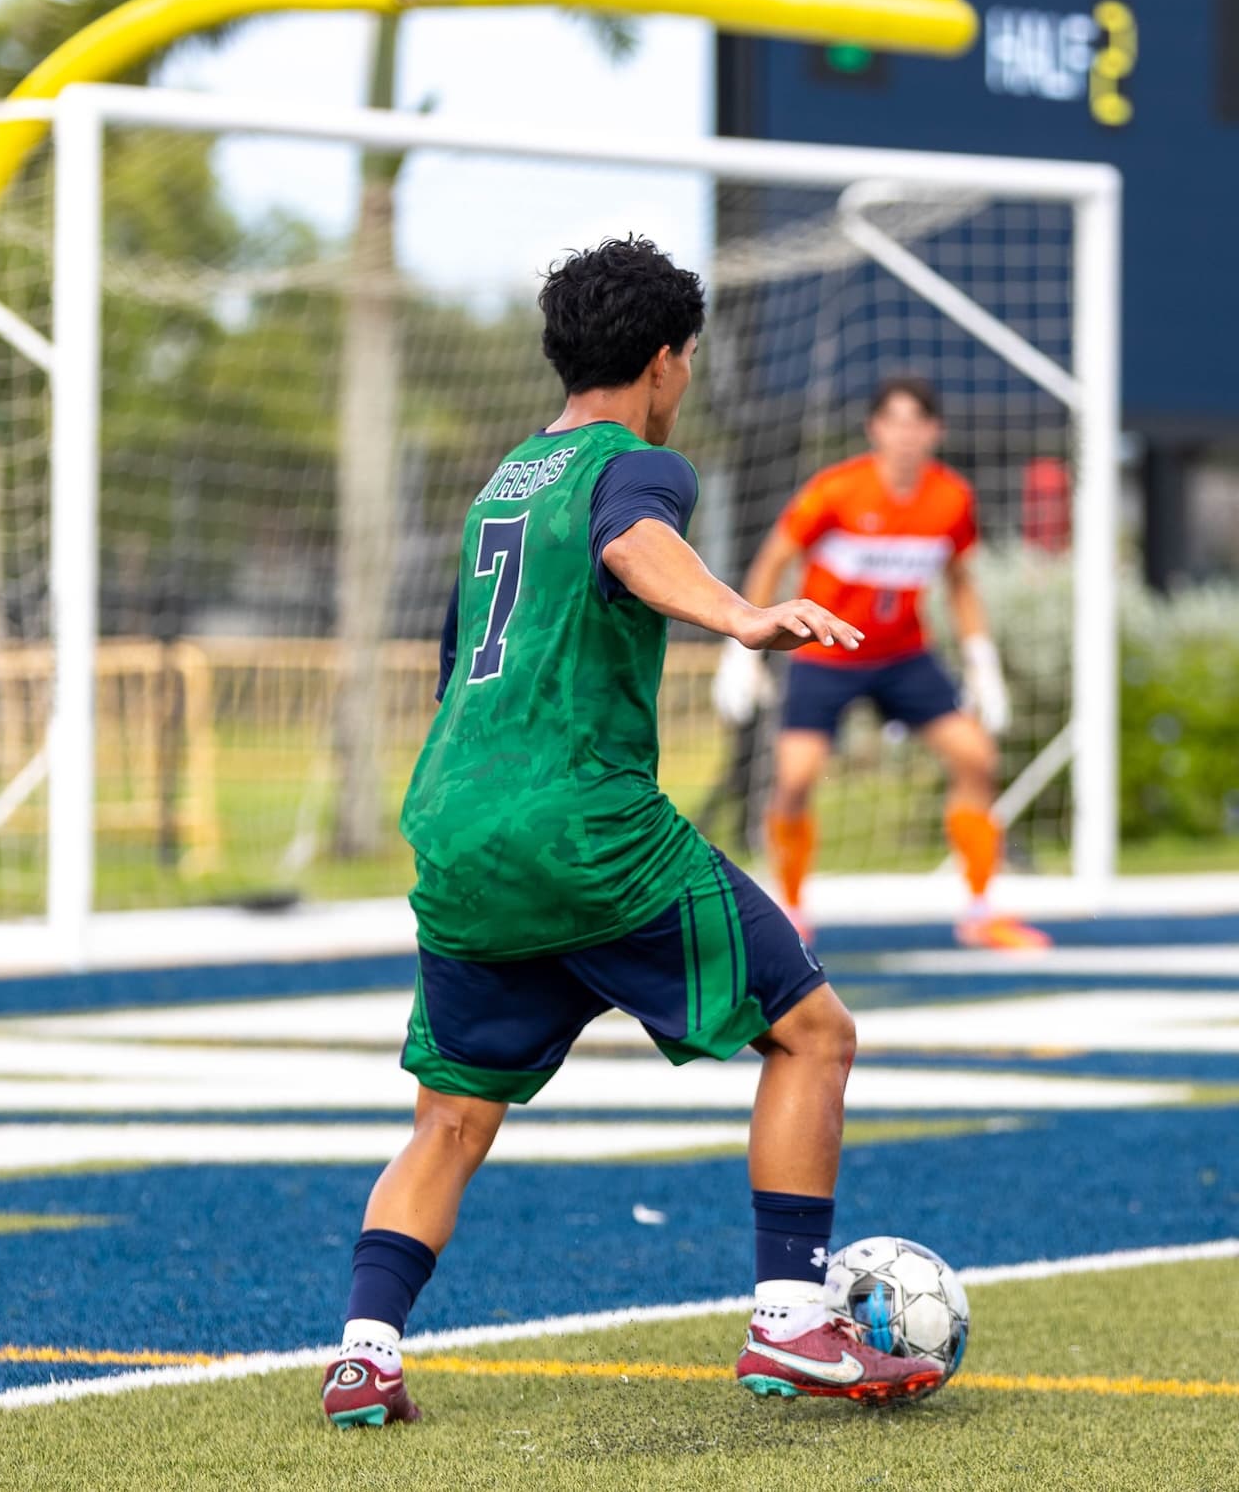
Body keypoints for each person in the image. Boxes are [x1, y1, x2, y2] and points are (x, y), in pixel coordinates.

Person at [322, 238, 944, 1429]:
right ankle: (791, 1324)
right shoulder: (636, 464)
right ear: (664, 361)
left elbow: (459, 664)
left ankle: (363, 1351)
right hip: (586, 829)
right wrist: (739, 615)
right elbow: (631, 540)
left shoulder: (502, 482)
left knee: (451, 1115)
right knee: (814, 1034)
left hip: (457, 826)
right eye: (689, 360)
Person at [712, 377, 1048, 951]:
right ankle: (790, 912)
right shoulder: (836, 491)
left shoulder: (951, 498)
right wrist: (741, 650)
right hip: (825, 653)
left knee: (977, 757)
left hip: (902, 656)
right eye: (894, 421)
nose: (905, 434)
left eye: (917, 422)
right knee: (793, 779)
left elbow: (961, 581)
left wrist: (980, 660)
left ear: (934, 431)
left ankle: (980, 910)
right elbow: (774, 557)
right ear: (874, 429)